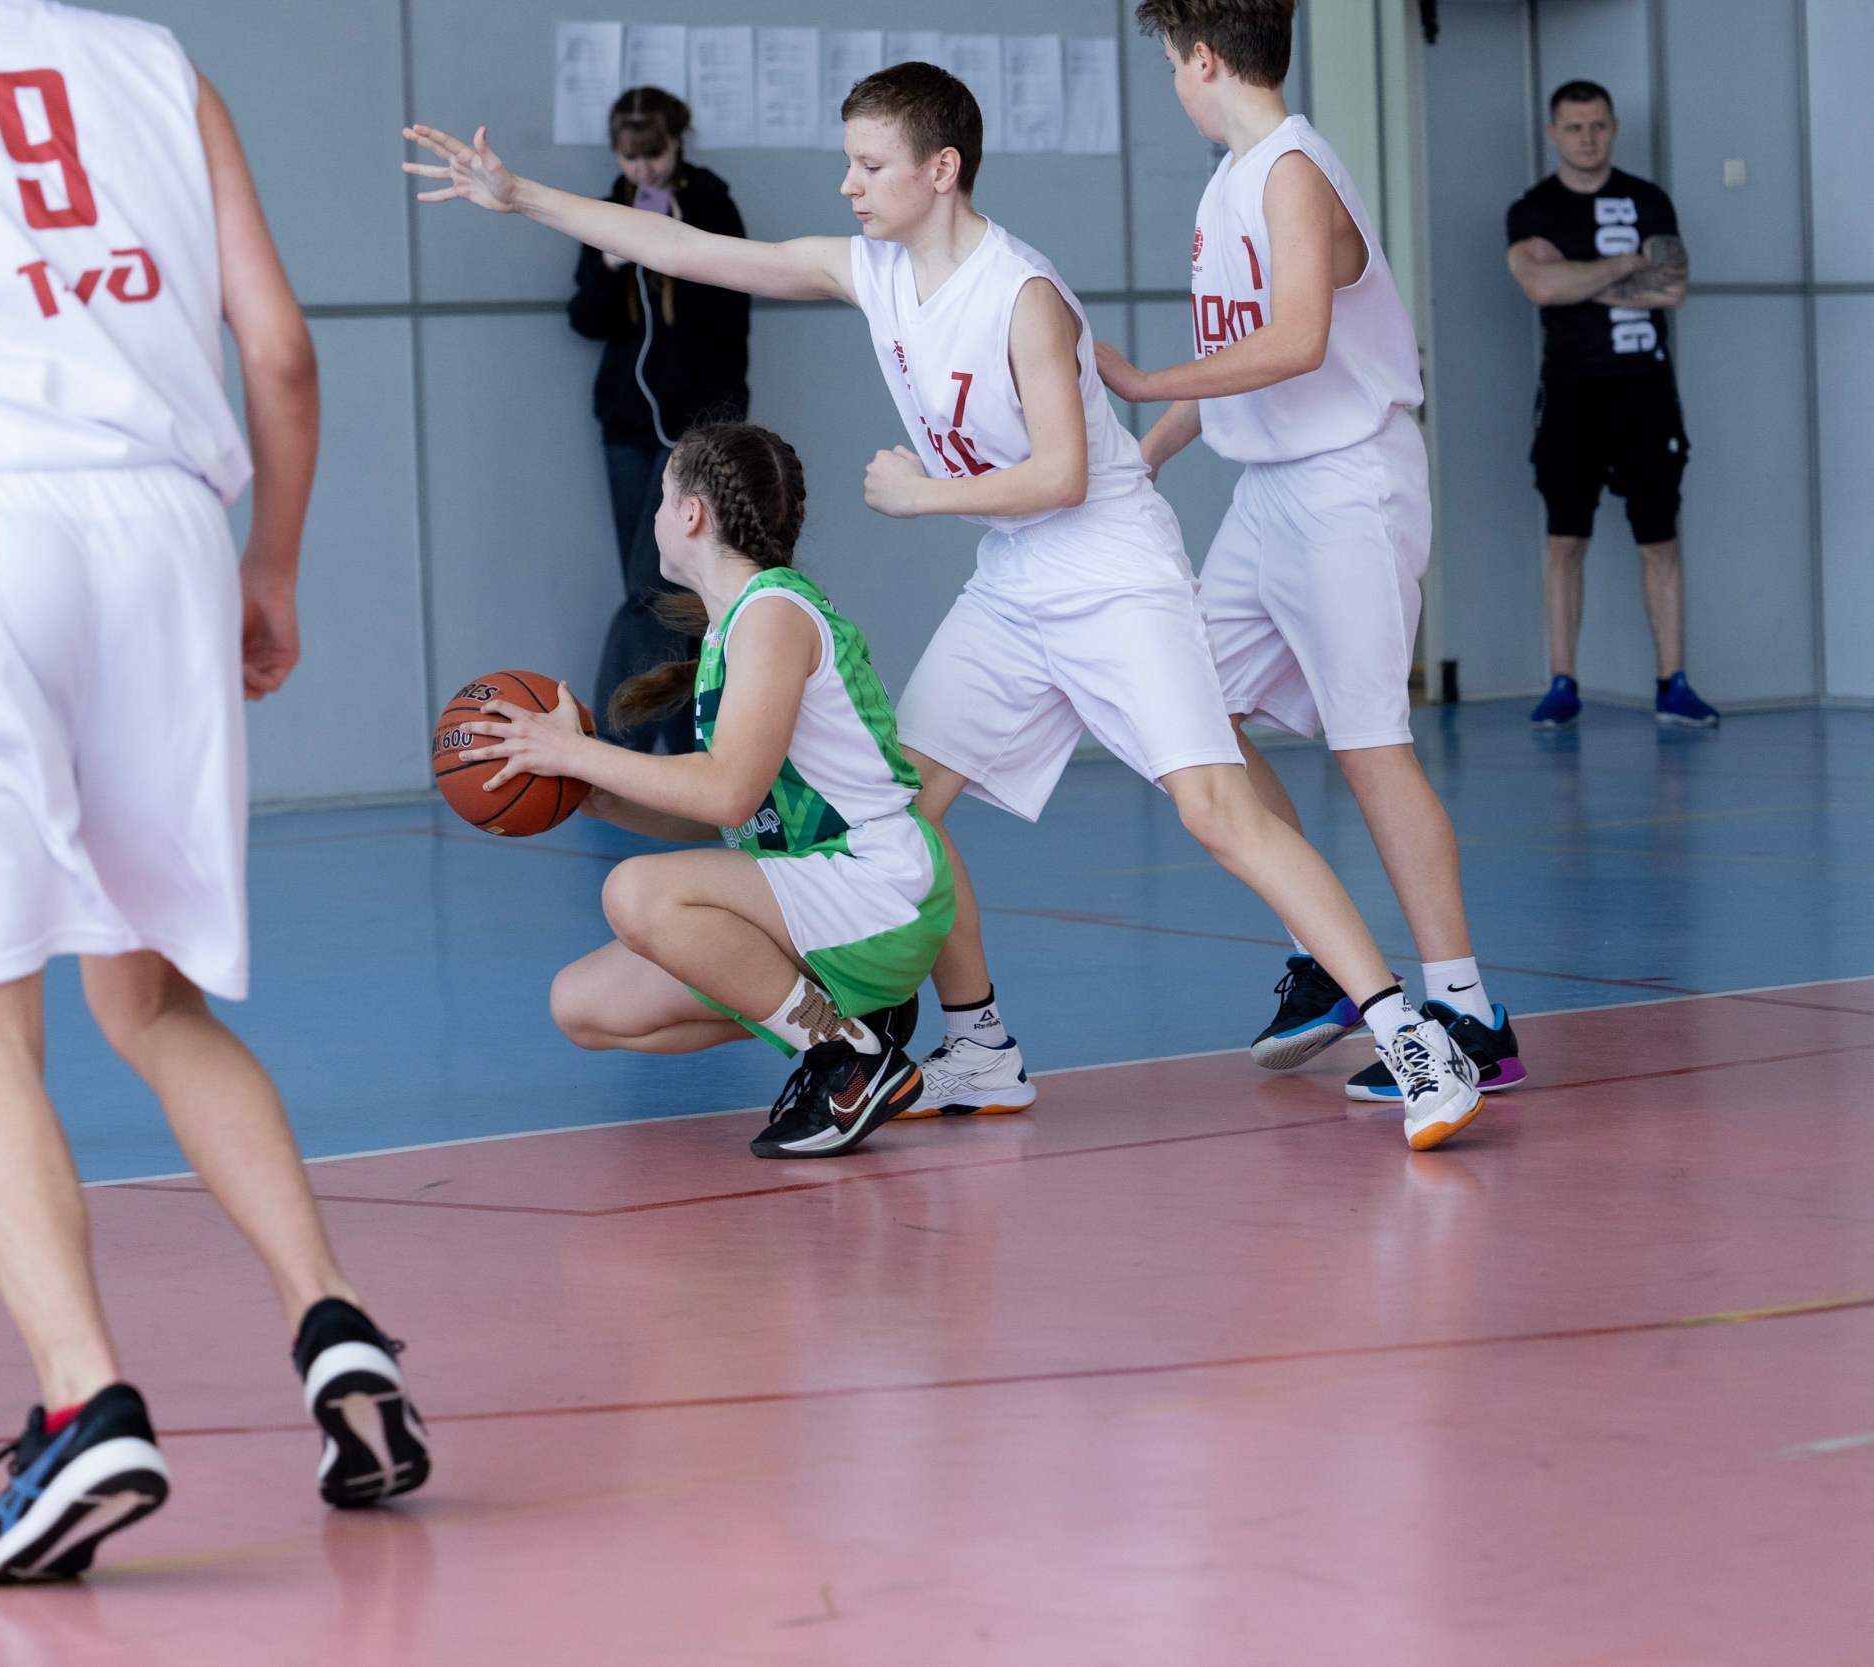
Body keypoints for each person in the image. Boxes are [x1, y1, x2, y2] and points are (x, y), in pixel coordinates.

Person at [405, 62, 1489, 1152]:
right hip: (1014, 577)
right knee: (899, 810)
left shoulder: (1023, 293)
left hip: (1110, 570)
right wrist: (523, 196)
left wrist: (925, 493)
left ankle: (1410, 1034)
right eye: (848, 162)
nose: (848, 183)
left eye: (869, 164)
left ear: (941, 169)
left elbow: (1063, 472)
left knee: (1217, 809)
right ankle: (980, 1047)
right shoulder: (874, 271)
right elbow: (687, 249)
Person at [0, 0, 428, 1584]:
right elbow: (280, 350)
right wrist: (273, 564)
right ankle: (334, 1325)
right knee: (154, 994)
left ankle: (83, 1400)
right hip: (165, 534)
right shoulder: (160, 66)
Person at [1098, 0, 1526, 1108]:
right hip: (1269, 494)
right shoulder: (1229, 182)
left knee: (1371, 745)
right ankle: (1324, 954)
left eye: (1170, 61)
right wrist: (1142, 455)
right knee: (1194, 710)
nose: (1172, 81)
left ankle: (1470, 1014)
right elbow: (1235, 353)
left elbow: (1295, 340)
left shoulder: (1292, 169)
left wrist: (1140, 381)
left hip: (1347, 486)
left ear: (1202, 59)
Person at [481, 422, 941, 1158]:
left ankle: (845, 1059)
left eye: (663, 498)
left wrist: (576, 750)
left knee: (635, 892)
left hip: (874, 888)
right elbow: (732, 819)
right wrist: (595, 790)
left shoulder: (773, 616)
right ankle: (857, 1023)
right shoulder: (736, 625)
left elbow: (726, 792)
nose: (657, 515)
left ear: (691, 513)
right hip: (814, 892)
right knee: (582, 1005)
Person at [1506, 78, 1717, 729]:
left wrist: (1574, 275)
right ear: (1553, 134)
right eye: (1574, 127)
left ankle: (1672, 685)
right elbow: (1540, 287)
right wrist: (1627, 263)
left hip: (1645, 392)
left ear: (1615, 128)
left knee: (1660, 540)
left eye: (1598, 125)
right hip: (1570, 394)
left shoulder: (1647, 200)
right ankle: (1562, 684)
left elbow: (1671, 288)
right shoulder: (1533, 209)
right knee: (1565, 540)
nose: (1587, 137)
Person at [567, 87, 750, 755]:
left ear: (678, 145)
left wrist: (679, 247)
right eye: (630, 158)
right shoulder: (606, 213)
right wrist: (613, 263)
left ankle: (614, 749)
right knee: (657, 591)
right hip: (628, 426)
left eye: (655, 155)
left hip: (696, 430)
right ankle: (685, 742)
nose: (643, 169)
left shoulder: (712, 207)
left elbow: (734, 312)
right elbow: (585, 320)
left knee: (662, 586)